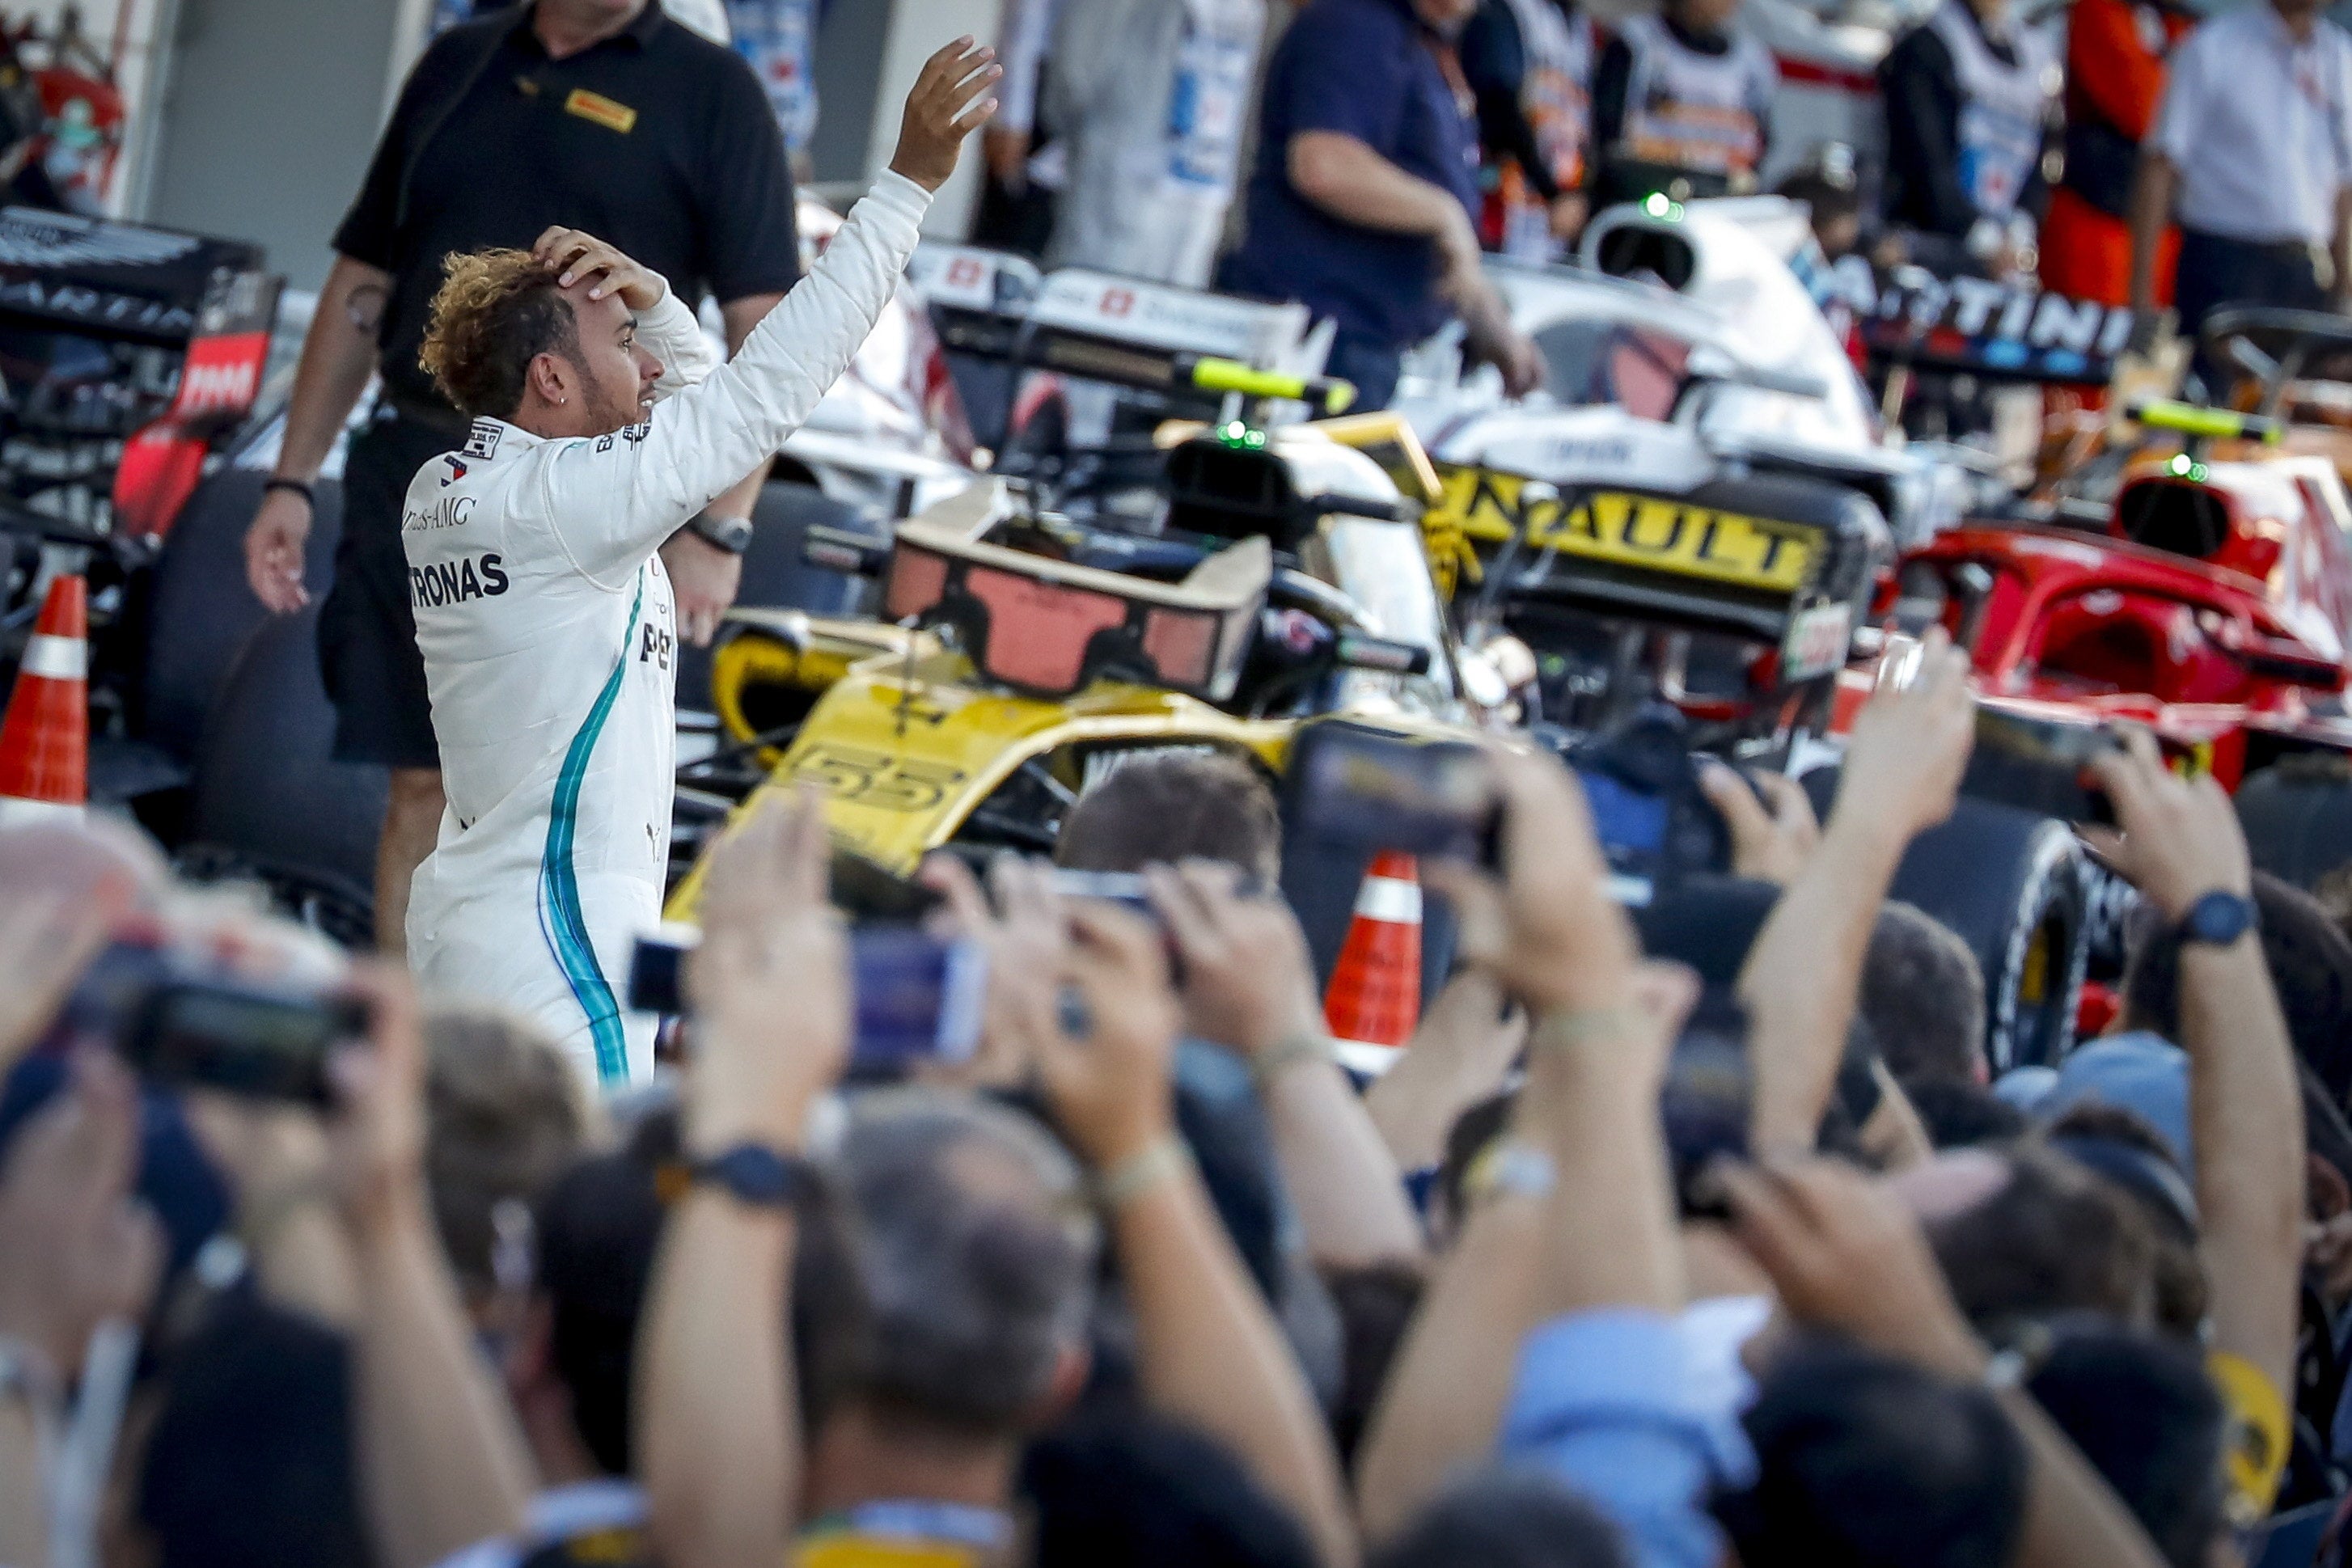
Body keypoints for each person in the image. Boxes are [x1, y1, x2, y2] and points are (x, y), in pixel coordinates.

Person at [396, 43, 996, 1088]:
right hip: (561, 953)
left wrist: (658, 302)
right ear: (549, 377)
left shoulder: (456, 487)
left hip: (477, 927)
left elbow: (704, 422)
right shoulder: (564, 506)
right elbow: (759, 400)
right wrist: (905, 187)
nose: (651, 362)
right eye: (625, 340)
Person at [242, 0, 802, 960]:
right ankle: (408, 1047)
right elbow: (360, 285)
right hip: (424, 465)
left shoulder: (714, 92)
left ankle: (530, 1061)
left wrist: (724, 526)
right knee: (421, 784)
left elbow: (767, 328)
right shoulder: (457, 61)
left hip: (600, 486)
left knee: (548, 804)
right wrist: (290, 478)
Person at [1221, 0, 1541, 411]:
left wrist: (1489, 319)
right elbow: (1324, 165)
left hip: (1365, 351)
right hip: (1312, 346)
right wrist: (1444, 214)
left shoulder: (1419, 42)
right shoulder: (1355, 24)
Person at [2130, 0, 2352, 356]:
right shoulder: (2214, 46)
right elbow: (2160, 168)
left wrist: (2345, 290)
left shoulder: (2339, 58)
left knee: (2291, 405)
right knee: (2212, 402)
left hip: (2304, 274)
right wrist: (2141, 298)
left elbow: (2343, 187)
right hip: (2223, 265)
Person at [1046, 0, 1267, 288]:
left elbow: (1072, 77)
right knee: (1088, 307)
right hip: (1126, 185)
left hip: (1193, 190)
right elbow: (1073, 77)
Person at [1877, 0, 2058, 275]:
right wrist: (1979, 235)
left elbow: (2042, 156)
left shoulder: (2036, 55)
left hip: (2005, 252)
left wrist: (2021, 231)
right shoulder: (1930, 44)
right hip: (1932, 248)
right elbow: (1925, 159)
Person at [2040, 0, 2193, 306]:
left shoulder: (2175, 22)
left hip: (2165, 234)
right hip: (2097, 228)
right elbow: (2145, 109)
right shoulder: (2097, 10)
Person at [1584, 0, 1778, 212]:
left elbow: (1761, 143)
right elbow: (1607, 132)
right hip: (1639, 201)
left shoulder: (1752, 62)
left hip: (1717, 205)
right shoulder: (1638, 42)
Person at [1460, 0, 1596, 261]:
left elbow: (1590, 121)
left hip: (1560, 208)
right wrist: (1553, 193)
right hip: (1505, 205)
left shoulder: (1578, 26)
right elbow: (1499, 106)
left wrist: (1579, 194)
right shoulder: (1503, 13)